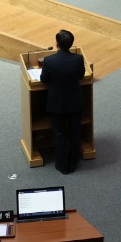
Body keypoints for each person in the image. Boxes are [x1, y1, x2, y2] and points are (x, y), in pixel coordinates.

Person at [40, 30, 86, 174]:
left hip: (57, 104)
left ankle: (62, 165)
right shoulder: (78, 59)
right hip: (74, 102)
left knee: (59, 133)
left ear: (57, 44)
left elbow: (44, 79)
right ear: (71, 44)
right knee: (74, 132)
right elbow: (81, 75)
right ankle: (73, 161)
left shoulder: (49, 61)